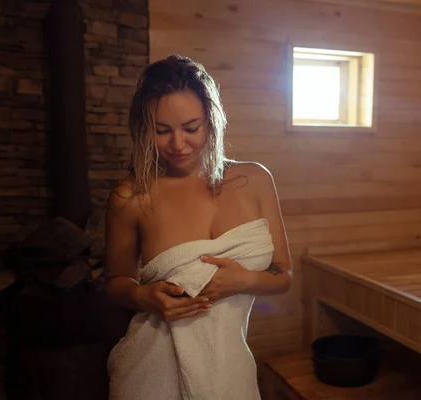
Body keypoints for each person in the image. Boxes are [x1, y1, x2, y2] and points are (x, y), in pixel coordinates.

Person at [103, 54, 293, 400]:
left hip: (229, 370)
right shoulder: (131, 196)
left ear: (212, 121)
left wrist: (244, 280)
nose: (178, 145)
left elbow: (284, 276)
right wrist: (144, 296)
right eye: (162, 131)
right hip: (151, 373)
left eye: (191, 128)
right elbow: (114, 282)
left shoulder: (255, 180)